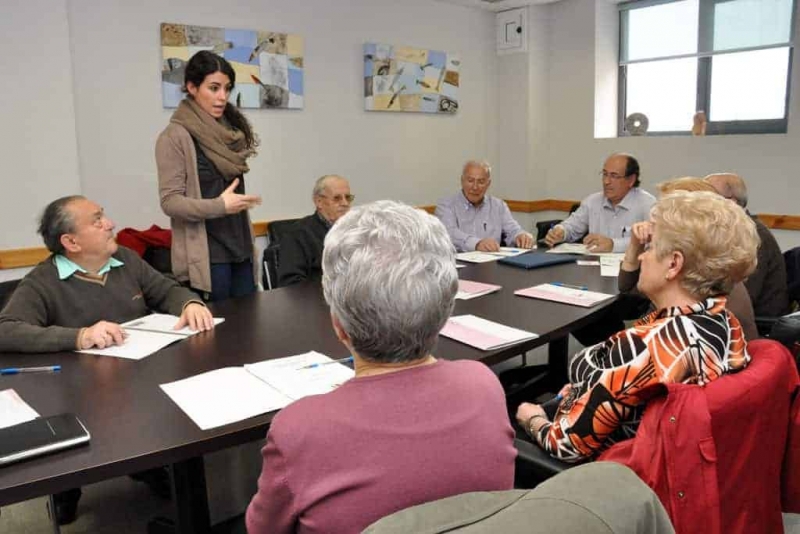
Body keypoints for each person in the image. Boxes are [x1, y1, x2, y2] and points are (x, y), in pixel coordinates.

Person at [246, 201, 516, 534]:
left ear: (338, 325)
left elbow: (262, 529)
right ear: (445, 313)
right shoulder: (484, 385)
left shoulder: (298, 429)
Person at [0, 196, 214, 524]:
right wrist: (79, 336)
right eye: (97, 220)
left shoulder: (126, 260)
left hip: (138, 375)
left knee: (157, 411)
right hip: (77, 388)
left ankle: (151, 466)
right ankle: (68, 488)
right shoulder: (43, 280)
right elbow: (7, 330)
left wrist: (188, 303)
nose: (110, 224)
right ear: (70, 242)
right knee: (83, 430)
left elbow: (166, 289)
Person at [517, 191, 758, 463]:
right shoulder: (725, 322)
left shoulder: (644, 348)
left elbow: (566, 446)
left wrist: (532, 418)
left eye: (651, 247)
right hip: (669, 455)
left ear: (673, 264)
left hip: (604, 472)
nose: (642, 257)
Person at [156, 50, 262, 302]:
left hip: (242, 250)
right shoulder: (174, 137)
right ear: (192, 87)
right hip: (207, 257)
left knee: (250, 332)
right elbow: (170, 202)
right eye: (213, 88)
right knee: (217, 338)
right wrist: (220, 206)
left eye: (227, 88)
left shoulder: (230, 132)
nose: (222, 97)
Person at [618, 177, 758, 341]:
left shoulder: (682, 331)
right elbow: (629, 291)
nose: (644, 256)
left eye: (653, 247)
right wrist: (636, 245)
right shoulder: (713, 277)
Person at [705, 172, 790, 318]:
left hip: (759, 327)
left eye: (708, 199)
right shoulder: (737, 230)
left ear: (731, 202)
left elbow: (743, 296)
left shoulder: (753, 235)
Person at [544, 153, 655, 253]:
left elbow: (656, 241)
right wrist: (561, 232)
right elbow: (572, 226)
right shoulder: (592, 201)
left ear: (631, 180)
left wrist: (613, 245)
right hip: (593, 267)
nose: (606, 181)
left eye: (614, 176)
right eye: (605, 174)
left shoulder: (648, 205)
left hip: (631, 270)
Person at [435, 160, 533, 252]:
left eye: (481, 182)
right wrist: (477, 244)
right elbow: (449, 233)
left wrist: (521, 236)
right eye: (470, 180)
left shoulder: (499, 206)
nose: (475, 187)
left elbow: (512, 229)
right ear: (462, 181)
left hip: (492, 264)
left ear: (488, 184)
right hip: (458, 264)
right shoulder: (445, 206)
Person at [277, 175, 352, 286]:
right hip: (318, 299)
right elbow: (291, 283)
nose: (345, 203)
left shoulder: (355, 230)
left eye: (348, 198)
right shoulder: (297, 234)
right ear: (319, 202)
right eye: (337, 198)